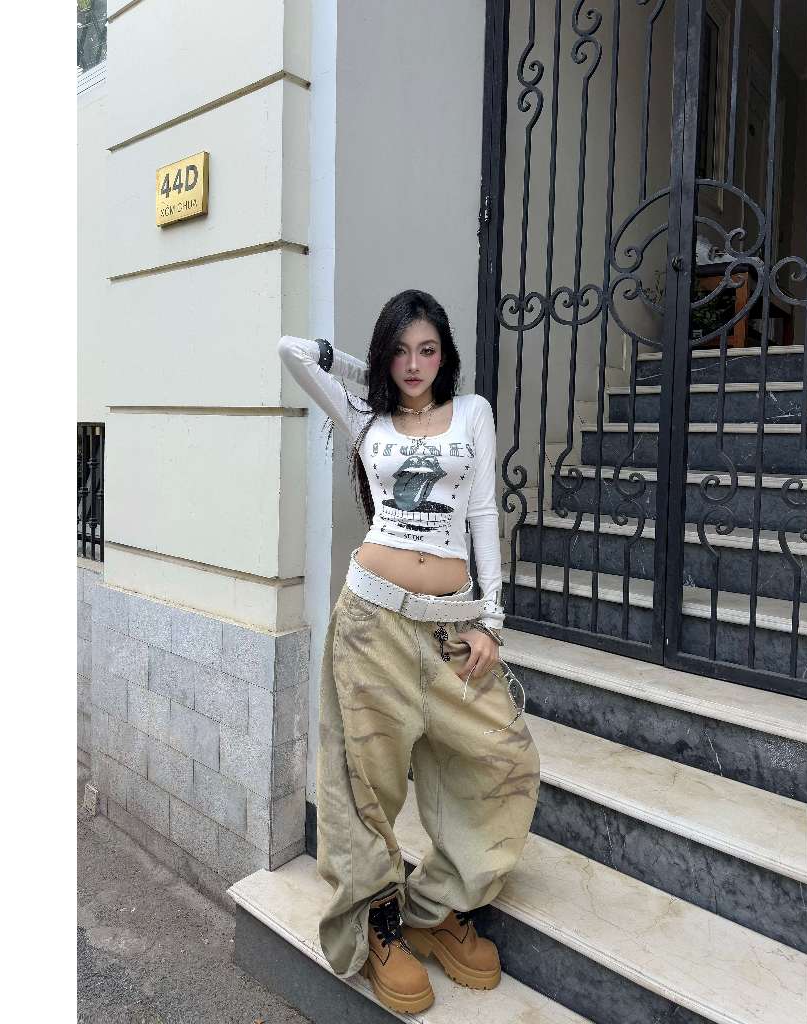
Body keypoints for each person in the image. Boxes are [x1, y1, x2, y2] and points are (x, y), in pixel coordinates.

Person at [277, 289, 540, 1013]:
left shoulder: (473, 413)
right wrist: (370, 374)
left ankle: (434, 908)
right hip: (372, 622)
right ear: (384, 357)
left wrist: (492, 621)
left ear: (445, 355)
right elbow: (292, 353)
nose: (414, 364)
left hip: (452, 628)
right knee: (365, 779)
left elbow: (482, 512)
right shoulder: (367, 416)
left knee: (502, 760)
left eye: (427, 350)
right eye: (400, 351)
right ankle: (377, 920)